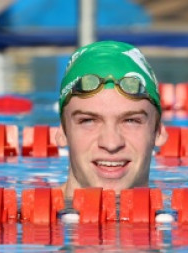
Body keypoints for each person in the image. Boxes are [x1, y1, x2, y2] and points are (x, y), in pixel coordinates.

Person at [56, 41, 167, 198]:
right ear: (62, 132)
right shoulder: (19, 215)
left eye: (131, 121)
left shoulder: (181, 214)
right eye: (88, 121)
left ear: (158, 132)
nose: (111, 144)